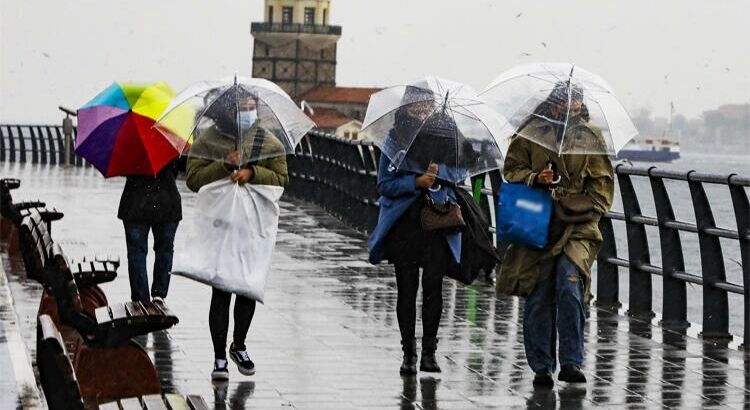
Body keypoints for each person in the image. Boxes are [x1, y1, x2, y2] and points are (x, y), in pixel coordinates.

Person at [497, 81, 614, 386]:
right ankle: (541, 366)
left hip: (578, 225)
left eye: (577, 99)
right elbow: (512, 170)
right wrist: (536, 178)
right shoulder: (531, 133)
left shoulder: (590, 136)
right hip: (539, 221)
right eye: (567, 99)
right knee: (539, 291)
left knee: (569, 283)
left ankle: (572, 361)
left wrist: (578, 201)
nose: (573, 104)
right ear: (554, 102)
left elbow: (602, 187)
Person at [185, 89, 289, 381]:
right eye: (242, 105)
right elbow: (193, 178)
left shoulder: (268, 142)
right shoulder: (209, 140)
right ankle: (219, 357)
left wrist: (253, 173)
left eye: (251, 104)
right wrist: (224, 165)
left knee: (247, 286)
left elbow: (282, 178)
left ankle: (239, 344)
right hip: (220, 224)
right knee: (221, 289)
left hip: (252, 225)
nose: (248, 109)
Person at [368, 88, 463, 375]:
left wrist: (438, 179)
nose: (423, 110)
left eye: (428, 104)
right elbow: (384, 184)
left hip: (437, 222)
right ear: (406, 107)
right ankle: (408, 352)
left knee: (434, 287)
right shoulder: (394, 139)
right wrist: (415, 182)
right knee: (406, 289)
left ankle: (429, 353)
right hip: (405, 224)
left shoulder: (446, 135)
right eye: (417, 104)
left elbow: (459, 175)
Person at [118, 159, 181, 303]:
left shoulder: (130, 142)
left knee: (136, 253)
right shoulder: (169, 139)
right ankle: (159, 294)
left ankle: (141, 298)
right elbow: (178, 167)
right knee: (164, 250)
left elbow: (123, 169)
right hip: (166, 200)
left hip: (135, 202)